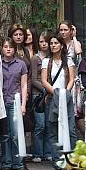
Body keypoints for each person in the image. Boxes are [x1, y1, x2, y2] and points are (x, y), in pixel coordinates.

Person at [41, 33, 76, 159]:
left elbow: (72, 79)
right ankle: (57, 158)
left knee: (71, 129)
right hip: (52, 99)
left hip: (66, 99)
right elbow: (44, 81)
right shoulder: (46, 61)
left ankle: (71, 157)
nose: (53, 45)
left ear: (61, 45)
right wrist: (56, 93)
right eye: (51, 43)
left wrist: (65, 93)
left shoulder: (69, 61)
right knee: (53, 129)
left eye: (56, 43)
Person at [0, 39, 28, 170]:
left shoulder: (21, 64)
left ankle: (18, 162)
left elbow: (24, 85)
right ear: (2, 49)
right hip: (2, 102)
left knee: (16, 133)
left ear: (15, 49)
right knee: (5, 134)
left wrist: (23, 104)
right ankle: (6, 161)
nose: (8, 49)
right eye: (5, 47)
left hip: (15, 102)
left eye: (11, 47)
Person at [31, 31, 52, 163]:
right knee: (40, 125)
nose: (43, 44)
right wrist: (45, 89)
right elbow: (33, 79)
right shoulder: (35, 58)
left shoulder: (52, 58)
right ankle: (37, 153)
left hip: (50, 94)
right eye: (41, 41)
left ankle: (48, 152)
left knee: (49, 125)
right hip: (38, 94)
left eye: (46, 41)